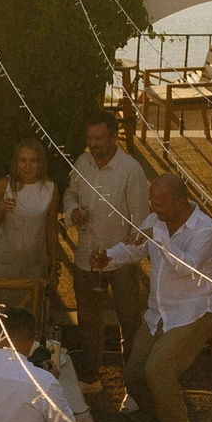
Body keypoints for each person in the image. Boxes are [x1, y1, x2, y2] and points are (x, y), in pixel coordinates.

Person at [105, 173, 212, 422]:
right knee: (134, 376)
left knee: (158, 370)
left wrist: (157, 236)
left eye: (159, 203)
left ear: (180, 202)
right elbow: (134, 247)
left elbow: (186, 268)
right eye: (152, 202)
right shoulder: (156, 220)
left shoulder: (204, 229)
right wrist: (107, 257)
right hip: (160, 312)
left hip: (194, 312)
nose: (154, 208)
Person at [61, 114, 151, 363]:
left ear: (114, 137)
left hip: (121, 263)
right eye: (89, 138)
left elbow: (141, 223)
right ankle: (91, 378)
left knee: (130, 324)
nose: (93, 144)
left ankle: (133, 388)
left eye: (99, 138)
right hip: (86, 259)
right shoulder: (83, 162)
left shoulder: (131, 170)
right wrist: (72, 211)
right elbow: (70, 194)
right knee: (88, 324)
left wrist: (121, 254)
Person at [0, 138, 59, 286]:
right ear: (15, 163)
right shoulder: (3, 185)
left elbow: (51, 228)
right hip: (3, 264)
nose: (27, 166)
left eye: (33, 161)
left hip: (35, 264)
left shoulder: (50, 189)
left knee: (30, 308)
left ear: (41, 163)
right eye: (22, 160)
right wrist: (0, 209)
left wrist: (54, 265)